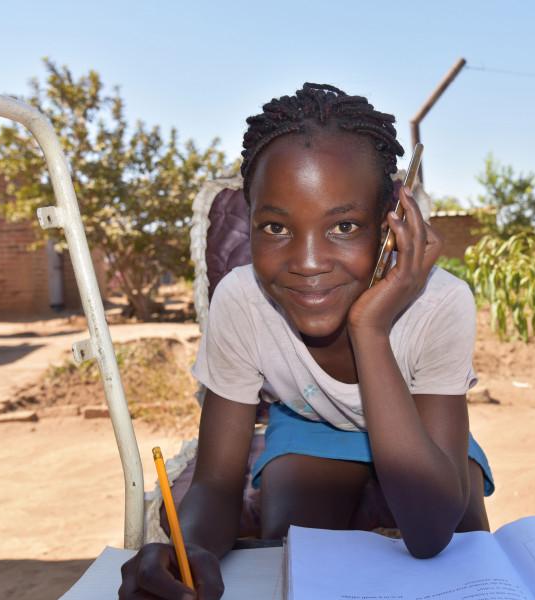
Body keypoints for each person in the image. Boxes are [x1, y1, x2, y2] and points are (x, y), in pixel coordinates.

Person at [119, 83, 494, 600]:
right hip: (310, 428)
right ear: (248, 221)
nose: (309, 262)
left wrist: (371, 328)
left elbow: (429, 533)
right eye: (275, 227)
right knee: (291, 550)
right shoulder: (242, 301)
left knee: (464, 545)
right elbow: (215, 484)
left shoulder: (440, 304)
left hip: (418, 425)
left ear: (391, 225)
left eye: (344, 225)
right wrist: (191, 552)